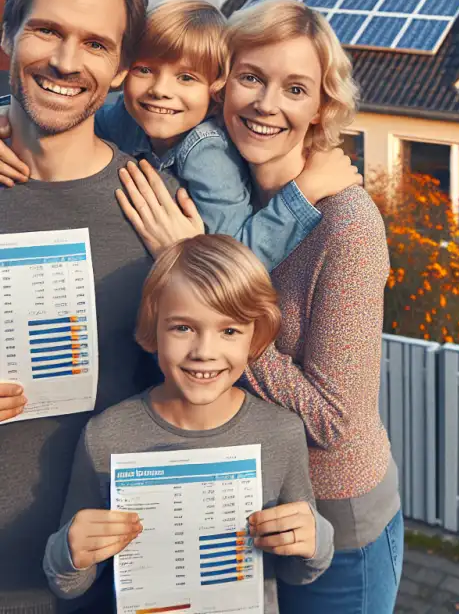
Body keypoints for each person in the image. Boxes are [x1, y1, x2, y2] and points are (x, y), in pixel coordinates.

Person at [116, 0, 403, 614]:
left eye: (294, 88)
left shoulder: (345, 225)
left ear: (321, 107)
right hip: (234, 506)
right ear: (222, 84)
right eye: (251, 78)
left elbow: (332, 422)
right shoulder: (214, 181)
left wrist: (195, 271)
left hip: (333, 516)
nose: (265, 104)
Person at [0, 0, 170, 613]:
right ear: (9, 34)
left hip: (112, 587)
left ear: (123, 67)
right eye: (47, 30)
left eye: (96, 44)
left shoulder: (155, 205)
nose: (67, 62)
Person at [43, 234, 335, 612]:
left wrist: (316, 539)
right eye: (183, 327)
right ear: (153, 328)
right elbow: (70, 584)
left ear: (255, 337)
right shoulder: (106, 436)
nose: (204, 352)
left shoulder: (281, 433)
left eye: (229, 331)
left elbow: (297, 571)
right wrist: (67, 551)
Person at [0, 0, 362, 268]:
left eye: (186, 78)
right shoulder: (128, 115)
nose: (160, 89)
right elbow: (69, 115)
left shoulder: (208, 153)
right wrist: (8, 117)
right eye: (145, 70)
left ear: (213, 86)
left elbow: (239, 260)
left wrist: (304, 195)